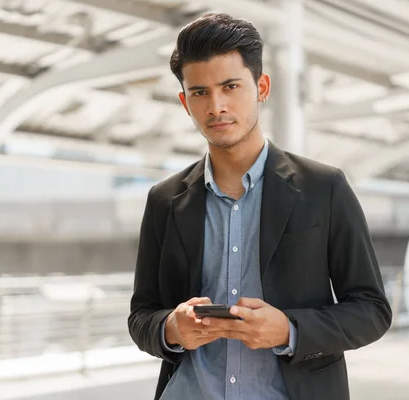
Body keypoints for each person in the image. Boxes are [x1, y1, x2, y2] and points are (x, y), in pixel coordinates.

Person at [127, 12, 392, 400]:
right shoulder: (165, 200)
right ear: (185, 102)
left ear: (262, 87)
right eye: (200, 92)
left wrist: (289, 329)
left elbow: (372, 310)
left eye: (230, 86)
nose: (216, 106)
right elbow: (141, 316)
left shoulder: (324, 188)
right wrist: (171, 328)